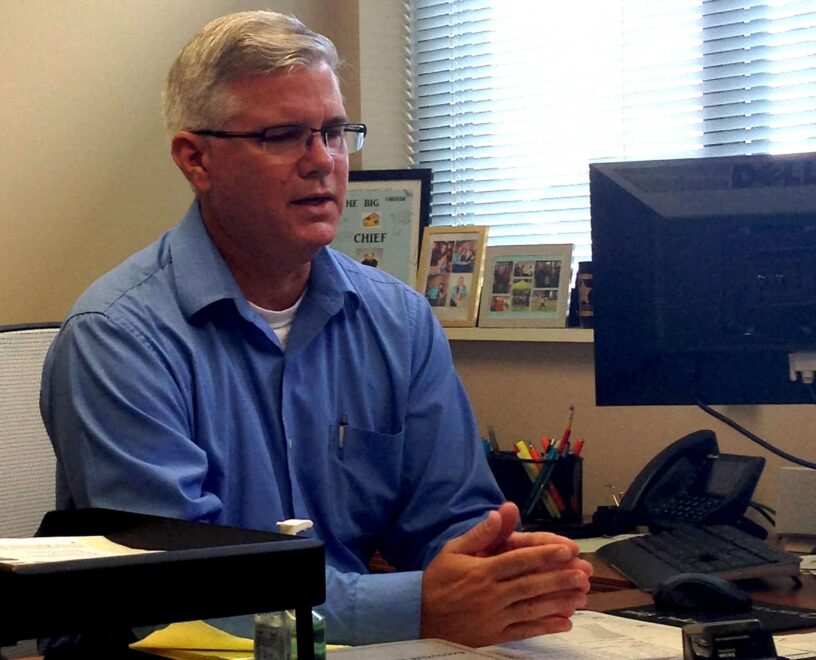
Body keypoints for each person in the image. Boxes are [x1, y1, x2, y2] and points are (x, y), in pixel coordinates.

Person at [40, 10, 591, 649]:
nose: (322, 161)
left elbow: (448, 520)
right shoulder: (117, 339)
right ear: (196, 160)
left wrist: (501, 569)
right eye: (283, 135)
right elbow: (173, 595)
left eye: (333, 132)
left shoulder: (398, 319)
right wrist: (419, 604)